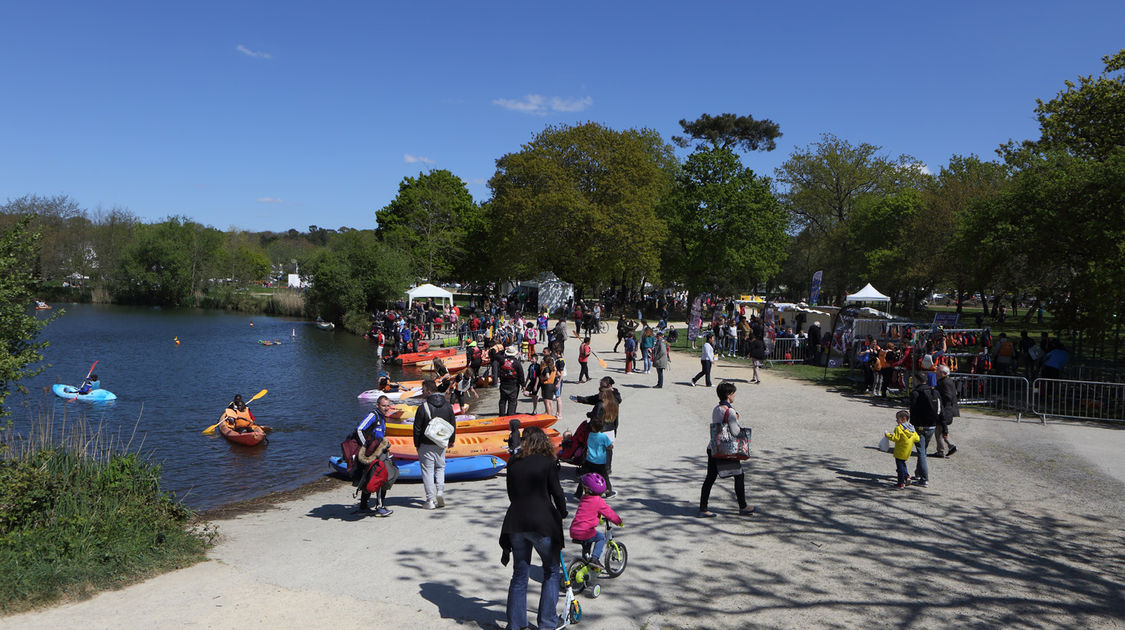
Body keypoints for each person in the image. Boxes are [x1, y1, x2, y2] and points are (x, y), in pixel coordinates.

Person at [499, 427, 568, 630]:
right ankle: (547, 623)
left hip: (516, 522)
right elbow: (556, 491)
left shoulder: (513, 462)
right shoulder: (547, 461)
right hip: (542, 522)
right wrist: (562, 512)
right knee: (551, 571)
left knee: (519, 575)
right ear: (542, 441)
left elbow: (512, 494)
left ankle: (516, 625)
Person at [699, 382, 754, 517]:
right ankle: (743, 506)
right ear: (729, 395)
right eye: (733, 393)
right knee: (739, 475)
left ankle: (703, 508)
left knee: (710, 478)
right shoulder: (730, 411)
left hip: (714, 447)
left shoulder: (716, 408)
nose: (735, 396)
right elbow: (735, 431)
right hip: (726, 449)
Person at [412, 379, 457, 510]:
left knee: (427, 471)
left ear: (429, 391)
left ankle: (430, 500)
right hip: (441, 442)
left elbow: (417, 429)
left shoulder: (423, 407)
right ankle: (440, 492)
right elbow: (452, 424)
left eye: (424, 390)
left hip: (426, 443)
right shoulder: (448, 406)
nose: (423, 392)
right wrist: (451, 441)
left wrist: (416, 444)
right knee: (440, 468)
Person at [569, 472, 623, 570]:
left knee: (587, 543)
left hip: (574, 530)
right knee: (600, 538)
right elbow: (609, 513)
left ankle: (586, 563)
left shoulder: (583, 498)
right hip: (585, 531)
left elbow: (587, 512)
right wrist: (618, 521)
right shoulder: (598, 501)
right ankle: (595, 559)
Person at [353, 396, 393, 516]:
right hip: (372, 454)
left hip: (379, 453)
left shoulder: (382, 417)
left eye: (387, 405)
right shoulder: (373, 416)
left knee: (370, 478)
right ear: (377, 405)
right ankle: (379, 507)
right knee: (380, 478)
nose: (386, 408)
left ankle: (363, 507)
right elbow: (359, 430)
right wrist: (368, 445)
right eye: (383, 405)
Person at [908, 374, 939, 487]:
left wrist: (911, 425)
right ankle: (918, 473)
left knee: (921, 452)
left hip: (920, 426)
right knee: (923, 449)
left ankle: (924, 479)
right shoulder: (934, 392)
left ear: (916, 380)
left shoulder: (915, 393)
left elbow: (913, 410)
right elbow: (940, 409)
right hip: (932, 425)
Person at [577, 416, 614, 497]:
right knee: (604, 476)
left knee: (584, 476)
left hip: (589, 459)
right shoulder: (603, 437)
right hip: (600, 461)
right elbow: (610, 446)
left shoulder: (589, 435)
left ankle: (578, 494)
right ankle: (609, 492)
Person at [885, 410, 920, 488]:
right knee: (903, 464)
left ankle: (901, 482)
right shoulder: (912, 428)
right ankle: (907, 476)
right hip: (907, 451)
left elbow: (895, 438)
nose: (896, 420)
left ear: (903, 419)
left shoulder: (899, 428)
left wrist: (887, 435)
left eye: (898, 419)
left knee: (900, 467)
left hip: (899, 451)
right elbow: (917, 439)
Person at [933, 364, 959, 458]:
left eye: (938, 372)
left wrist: (938, 396)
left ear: (944, 373)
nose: (936, 373)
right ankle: (950, 446)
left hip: (946, 409)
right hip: (946, 409)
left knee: (939, 431)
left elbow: (948, 396)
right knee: (940, 429)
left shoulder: (945, 382)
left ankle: (942, 451)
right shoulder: (945, 381)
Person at [498, 345, 525, 416]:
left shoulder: (502, 361)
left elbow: (499, 370)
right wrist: (523, 385)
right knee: (512, 401)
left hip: (503, 383)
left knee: (502, 401)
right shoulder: (516, 363)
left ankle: (501, 415)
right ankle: (510, 415)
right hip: (513, 384)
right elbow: (521, 374)